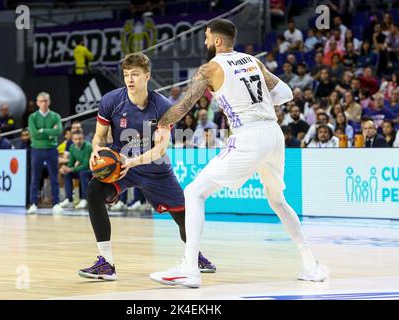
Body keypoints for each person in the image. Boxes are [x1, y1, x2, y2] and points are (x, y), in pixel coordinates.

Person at [150, 19, 328, 288]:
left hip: (248, 136)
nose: (206, 42)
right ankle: (311, 265)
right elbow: (287, 93)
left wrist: (161, 123)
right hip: (273, 133)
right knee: (278, 201)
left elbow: (184, 105)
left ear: (218, 40)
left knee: (194, 193)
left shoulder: (210, 68)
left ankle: (189, 268)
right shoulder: (253, 62)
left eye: (207, 37)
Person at [78, 52, 215, 281]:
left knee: (184, 216)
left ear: (147, 76)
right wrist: (95, 150)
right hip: (119, 165)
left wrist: (131, 162)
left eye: (135, 75)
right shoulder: (111, 100)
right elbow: (99, 137)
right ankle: (106, 264)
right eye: (126, 75)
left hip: (154, 168)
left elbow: (160, 149)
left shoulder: (162, 105)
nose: (129, 79)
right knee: (94, 191)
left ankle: (194, 257)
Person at [27, 92, 63, 215]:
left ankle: (56, 203)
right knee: (35, 177)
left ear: (49, 102)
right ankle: (33, 203)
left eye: (45, 101)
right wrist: (49, 132)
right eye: (41, 101)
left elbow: (58, 131)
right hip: (37, 149)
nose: (43, 103)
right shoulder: (32, 117)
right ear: (37, 102)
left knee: (54, 177)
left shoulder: (55, 116)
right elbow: (34, 133)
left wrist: (42, 130)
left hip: (52, 149)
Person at [59, 131, 92, 209]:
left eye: (80, 139)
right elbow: (71, 162)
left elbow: (86, 165)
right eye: (76, 139)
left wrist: (71, 169)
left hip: (92, 171)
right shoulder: (72, 147)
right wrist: (66, 168)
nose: (78, 141)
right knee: (67, 174)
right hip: (80, 170)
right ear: (73, 140)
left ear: (83, 138)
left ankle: (85, 199)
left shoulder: (88, 146)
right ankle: (69, 200)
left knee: (82, 173)